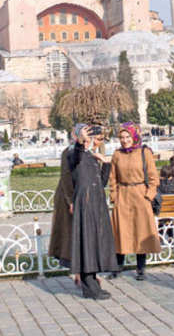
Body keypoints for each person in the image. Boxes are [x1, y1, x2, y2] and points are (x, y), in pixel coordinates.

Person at [108, 122, 160, 281]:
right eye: (122, 137)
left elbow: (153, 177)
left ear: (134, 136)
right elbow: (113, 178)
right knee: (120, 231)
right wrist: (114, 196)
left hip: (140, 195)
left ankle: (141, 268)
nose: (124, 140)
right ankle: (117, 267)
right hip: (123, 195)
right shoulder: (117, 154)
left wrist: (148, 196)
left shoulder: (144, 153)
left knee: (140, 230)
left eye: (127, 137)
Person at [70, 125, 117, 299]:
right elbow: (76, 154)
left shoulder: (91, 156)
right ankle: (88, 284)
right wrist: (81, 140)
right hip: (86, 203)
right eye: (91, 138)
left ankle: (90, 284)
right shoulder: (77, 154)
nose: (94, 142)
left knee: (94, 242)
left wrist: (105, 163)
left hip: (96, 204)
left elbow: (102, 182)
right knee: (87, 242)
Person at [49, 124, 83, 269]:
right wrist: (70, 200)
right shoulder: (68, 152)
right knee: (69, 234)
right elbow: (66, 176)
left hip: (81, 194)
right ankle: (76, 270)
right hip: (68, 195)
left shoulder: (87, 151)